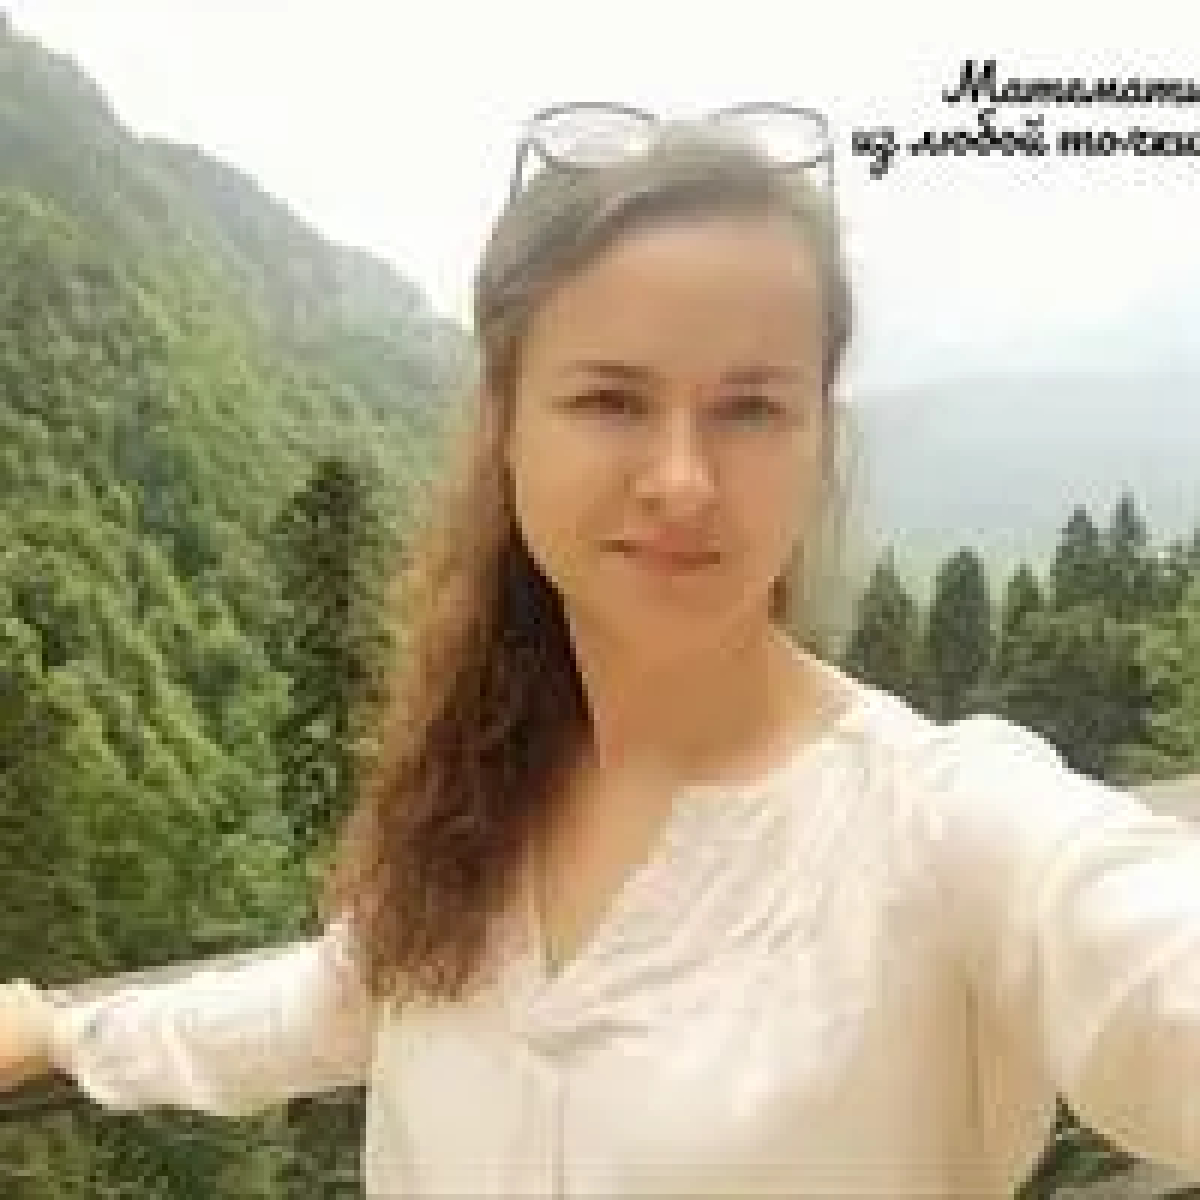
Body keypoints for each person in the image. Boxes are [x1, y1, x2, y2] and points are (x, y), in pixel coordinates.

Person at [3, 102, 1200, 1198]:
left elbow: (1145, 959)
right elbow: (335, 1000)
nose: (682, 479)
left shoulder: (942, 826)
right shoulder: (486, 790)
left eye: (750, 407)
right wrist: (67, 1035)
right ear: (507, 431)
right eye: (611, 400)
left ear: (819, 443)